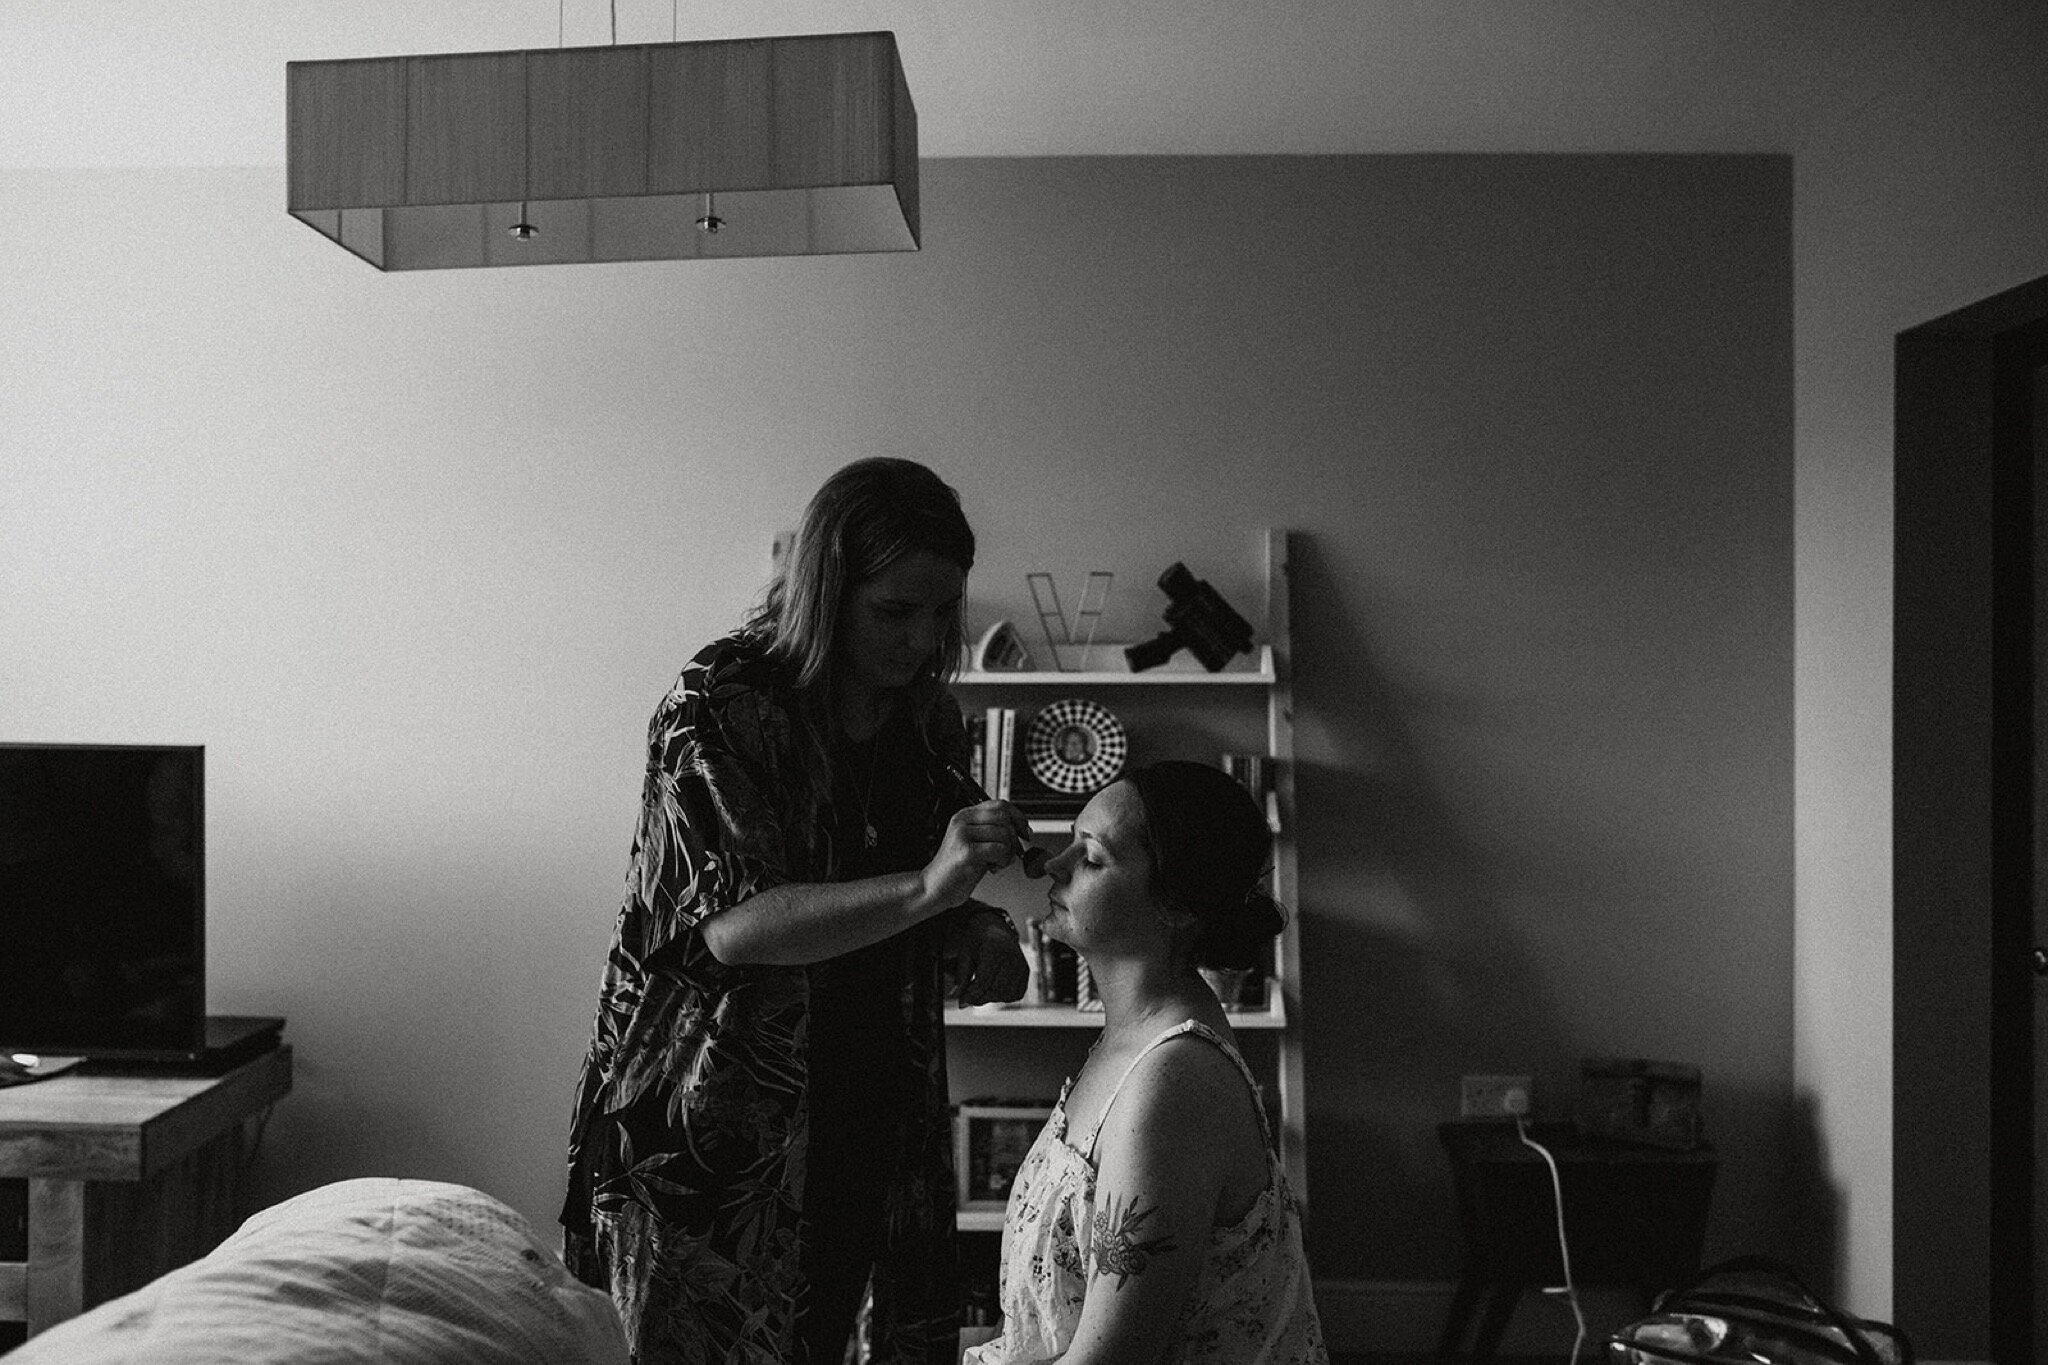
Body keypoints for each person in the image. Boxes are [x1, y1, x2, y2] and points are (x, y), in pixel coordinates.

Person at [561, 458, 1035, 1365]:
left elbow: (906, 878)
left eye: (941, 612)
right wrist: (935, 889)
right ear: (826, 589)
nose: (920, 639)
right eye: (894, 611)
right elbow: (740, 924)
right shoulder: (718, 706)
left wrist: (976, 923)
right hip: (706, 1126)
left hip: (862, 1104)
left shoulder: (924, 724)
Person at [965, 760, 1329, 1365]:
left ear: (1176, 907)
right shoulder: (1128, 1042)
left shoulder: (1172, 1081)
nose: (1055, 865)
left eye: (1094, 857)